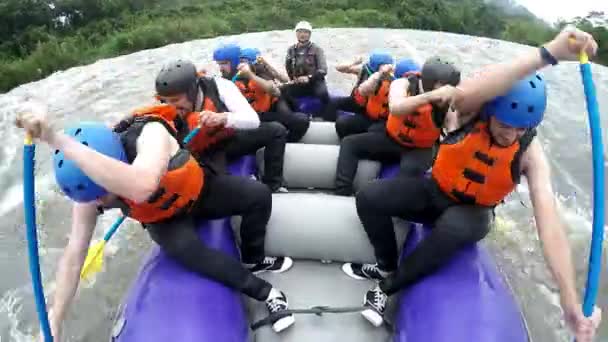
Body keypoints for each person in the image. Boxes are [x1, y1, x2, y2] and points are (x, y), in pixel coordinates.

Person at [342, 27, 602, 341]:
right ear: (490, 112)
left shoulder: (530, 152)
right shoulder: (466, 114)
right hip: (435, 192)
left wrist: (569, 299)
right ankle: (385, 264)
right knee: (369, 197)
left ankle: (388, 287)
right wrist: (549, 54)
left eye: (521, 130)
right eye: (506, 126)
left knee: (455, 226)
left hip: (473, 213)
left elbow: (549, 224)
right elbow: (471, 91)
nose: (511, 135)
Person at [16, 106, 296, 341]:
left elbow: (142, 186)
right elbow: (74, 256)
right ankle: (267, 292)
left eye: (101, 195)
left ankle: (254, 257)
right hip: (163, 220)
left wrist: (55, 138)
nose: (99, 204)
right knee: (190, 251)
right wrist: (54, 320)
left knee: (258, 196)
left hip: (201, 192)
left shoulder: (150, 133)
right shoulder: (90, 194)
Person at [335, 57, 455, 196]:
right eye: (443, 85)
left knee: (407, 177)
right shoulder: (402, 83)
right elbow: (396, 108)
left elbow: (453, 127)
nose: (446, 89)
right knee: (349, 143)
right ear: (430, 81)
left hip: (419, 149)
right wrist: (430, 96)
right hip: (391, 139)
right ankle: (342, 191)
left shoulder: (448, 100)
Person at [175, 51, 287, 192]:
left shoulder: (226, 83)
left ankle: (273, 185)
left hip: (241, 125)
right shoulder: (211, 83)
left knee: (278, 129)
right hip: (207, 147)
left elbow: (272, 93)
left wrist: (222, 117)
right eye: (219, 64)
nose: (221, 67)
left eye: (225, 64)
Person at [236, 47, 310, 142]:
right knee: (299, 119)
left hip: (270, 104)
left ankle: (296, 120)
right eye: (242, 62)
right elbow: (272, 90)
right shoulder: (243, 77)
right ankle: (287, 137)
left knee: (286, 90)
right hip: (259, 113)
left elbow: (285, 80)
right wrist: (250, 75)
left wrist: (266, 64)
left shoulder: (261, 71)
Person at [334, 49, 395, 139]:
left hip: (374, 115)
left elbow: (364, 90)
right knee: (333, 103)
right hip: (359, 104)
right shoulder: (365, 69)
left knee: (345, 123)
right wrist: (354, 62)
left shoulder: (393, 81)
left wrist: (381, 74)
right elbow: (338, 67)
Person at [282, 21, 330, 116]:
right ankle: (294, 115)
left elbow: (323, 70)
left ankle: (328, 115)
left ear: (310, 34)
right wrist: (293, 79)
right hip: (299, 82)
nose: (302, 35)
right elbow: (288, 66)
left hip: (315, 81)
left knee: (323, 94)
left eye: (305, 32)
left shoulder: (317, 49)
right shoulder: (291, 50)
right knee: (283, 92)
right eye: (300, 32)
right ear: (296, 33)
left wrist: (309, 77)